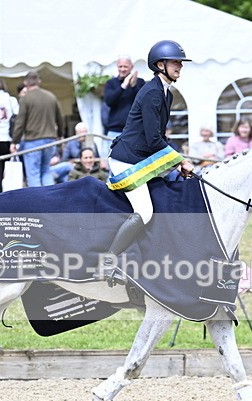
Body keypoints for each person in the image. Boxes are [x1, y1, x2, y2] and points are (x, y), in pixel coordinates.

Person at [102, 40, 195, 285]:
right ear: (160, 65)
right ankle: (108, 261)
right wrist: (180, 161)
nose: (180, 67)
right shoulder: (153, 92)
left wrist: (175, 164)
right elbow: (154, 140)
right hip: (126, 160)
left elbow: (159, 136)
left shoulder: (166, 93)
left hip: (141, 158)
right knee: (145, 211)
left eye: (180, 63)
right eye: (176, 62)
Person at [11, 71, 63, 188]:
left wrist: (15, 141)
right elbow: (60, 118)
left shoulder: (25, 99)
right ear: (39, 81)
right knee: (46, 170)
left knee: (33, 174)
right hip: (50, 140)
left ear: (25, 83)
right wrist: (60, 134)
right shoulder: (51, 97)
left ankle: (38, 203)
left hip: (32, 141)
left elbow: (20, 122)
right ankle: (50, 199)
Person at [103, 55, 146, 140]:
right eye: (120, 66)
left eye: (125, 66)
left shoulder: (140, 82)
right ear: (117, 66)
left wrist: (134, 86)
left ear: (131, 67)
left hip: (135, 130)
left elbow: (144, 102)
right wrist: (123, 87)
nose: (122, 69)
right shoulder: (111, 83)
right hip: (114, 131)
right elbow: (109, 101)